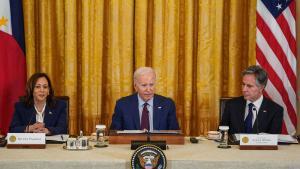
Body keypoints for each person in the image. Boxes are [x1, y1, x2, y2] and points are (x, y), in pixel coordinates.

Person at [110, 67, 180, 130]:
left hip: (159, 144)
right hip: (130, 144)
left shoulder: (167, 104)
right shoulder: (122, 105)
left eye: (151, 85)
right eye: (144, 85)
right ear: (135, 86)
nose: (148, 89)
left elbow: (175, 134)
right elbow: (114, 135)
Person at [220, 65, 283, 134]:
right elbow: (221, 134)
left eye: (249, 86)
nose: (244, 89)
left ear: (261, 88)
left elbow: (274, 140)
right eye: (243, 84)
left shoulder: (275, 110)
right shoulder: (231, 105)